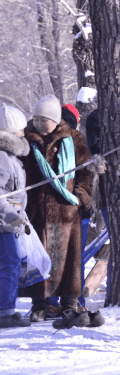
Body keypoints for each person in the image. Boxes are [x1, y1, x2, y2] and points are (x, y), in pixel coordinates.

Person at [20, 95, 99, 329]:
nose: (41, 124)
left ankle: (69, 304)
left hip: (67, 211)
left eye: (45, 120)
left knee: (70, 261)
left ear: (55, 120)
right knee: (39, 259)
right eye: (37, 119)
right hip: (36, 212)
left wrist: (81, 197)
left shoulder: (73, 139)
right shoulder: (27, 140)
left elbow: (85, 174)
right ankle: (40, 305)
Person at [0, 105, 31, 328]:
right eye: (20, 128)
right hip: (3, 223)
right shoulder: (2, 157)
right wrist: (12, 213)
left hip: (10, 221)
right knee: (10, 264)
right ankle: (4, 312)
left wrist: (20, 212)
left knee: (11, 263)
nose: (24, 132)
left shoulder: (10, 155)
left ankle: (7, 308)